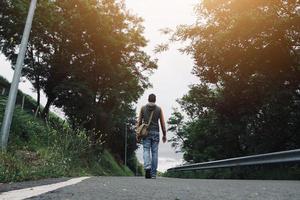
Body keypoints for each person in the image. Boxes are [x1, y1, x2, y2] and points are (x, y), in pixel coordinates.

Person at [137, 94, 167, 179]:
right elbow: (162, 123)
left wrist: (138, 134)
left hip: (145, 133)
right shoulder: (159, 109)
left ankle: (147, 168)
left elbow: (139, 122)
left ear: (148, 99)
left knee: (146, 150)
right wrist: (164, 135)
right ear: (155, 100)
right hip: (156, 133)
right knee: (155, 153)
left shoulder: (143, 108)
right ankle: (153, 174)